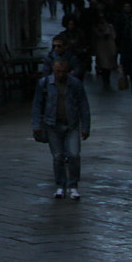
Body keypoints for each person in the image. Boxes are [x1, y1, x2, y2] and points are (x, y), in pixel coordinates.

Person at [32, 58, 91, 200]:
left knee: (74, 155)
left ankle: (73, 185)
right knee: (58, 156)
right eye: (58, 71)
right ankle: (60, 185)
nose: (60, 74)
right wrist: (37, 125)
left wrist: (86, 126)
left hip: (71, 123)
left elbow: (83, 105)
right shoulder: (45, 84)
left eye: (63, 71)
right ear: (53, 69)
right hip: (52, 124)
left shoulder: (75, 84)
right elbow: (37, 105)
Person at [92, 13, 118, 90]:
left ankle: (106, 80)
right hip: (101, 48)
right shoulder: (96, 27)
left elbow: (112, 35)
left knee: (107, 66)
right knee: (104, 65)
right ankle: (105, 80)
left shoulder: (109, 26)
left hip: (108, 48)